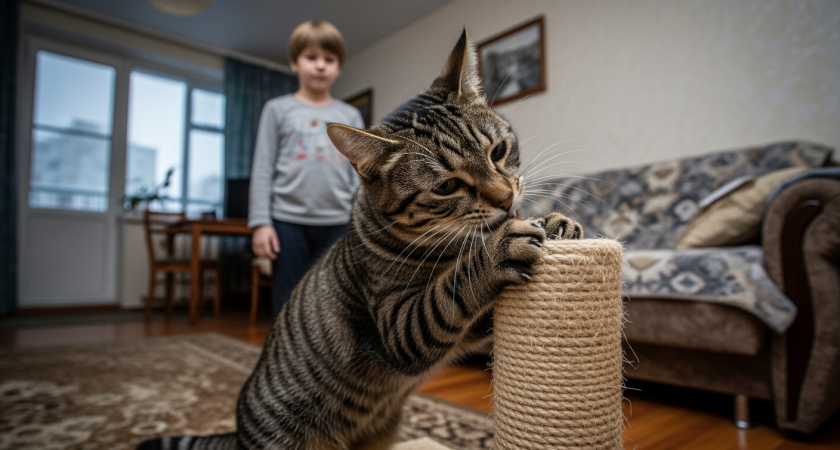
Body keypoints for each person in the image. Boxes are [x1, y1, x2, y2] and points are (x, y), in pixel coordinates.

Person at [248, 20, 364, 316]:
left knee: (334, 303)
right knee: (288, 303)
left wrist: (359, 221)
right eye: (311, 58)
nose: (320, 66)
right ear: (294, 62)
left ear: (338, 67)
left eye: (329, 59)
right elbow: (262, 167)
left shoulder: (349, 114)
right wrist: (261, 223)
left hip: (339, 223)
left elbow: (360, 174)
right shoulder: (277, 109)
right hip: (287, 223)